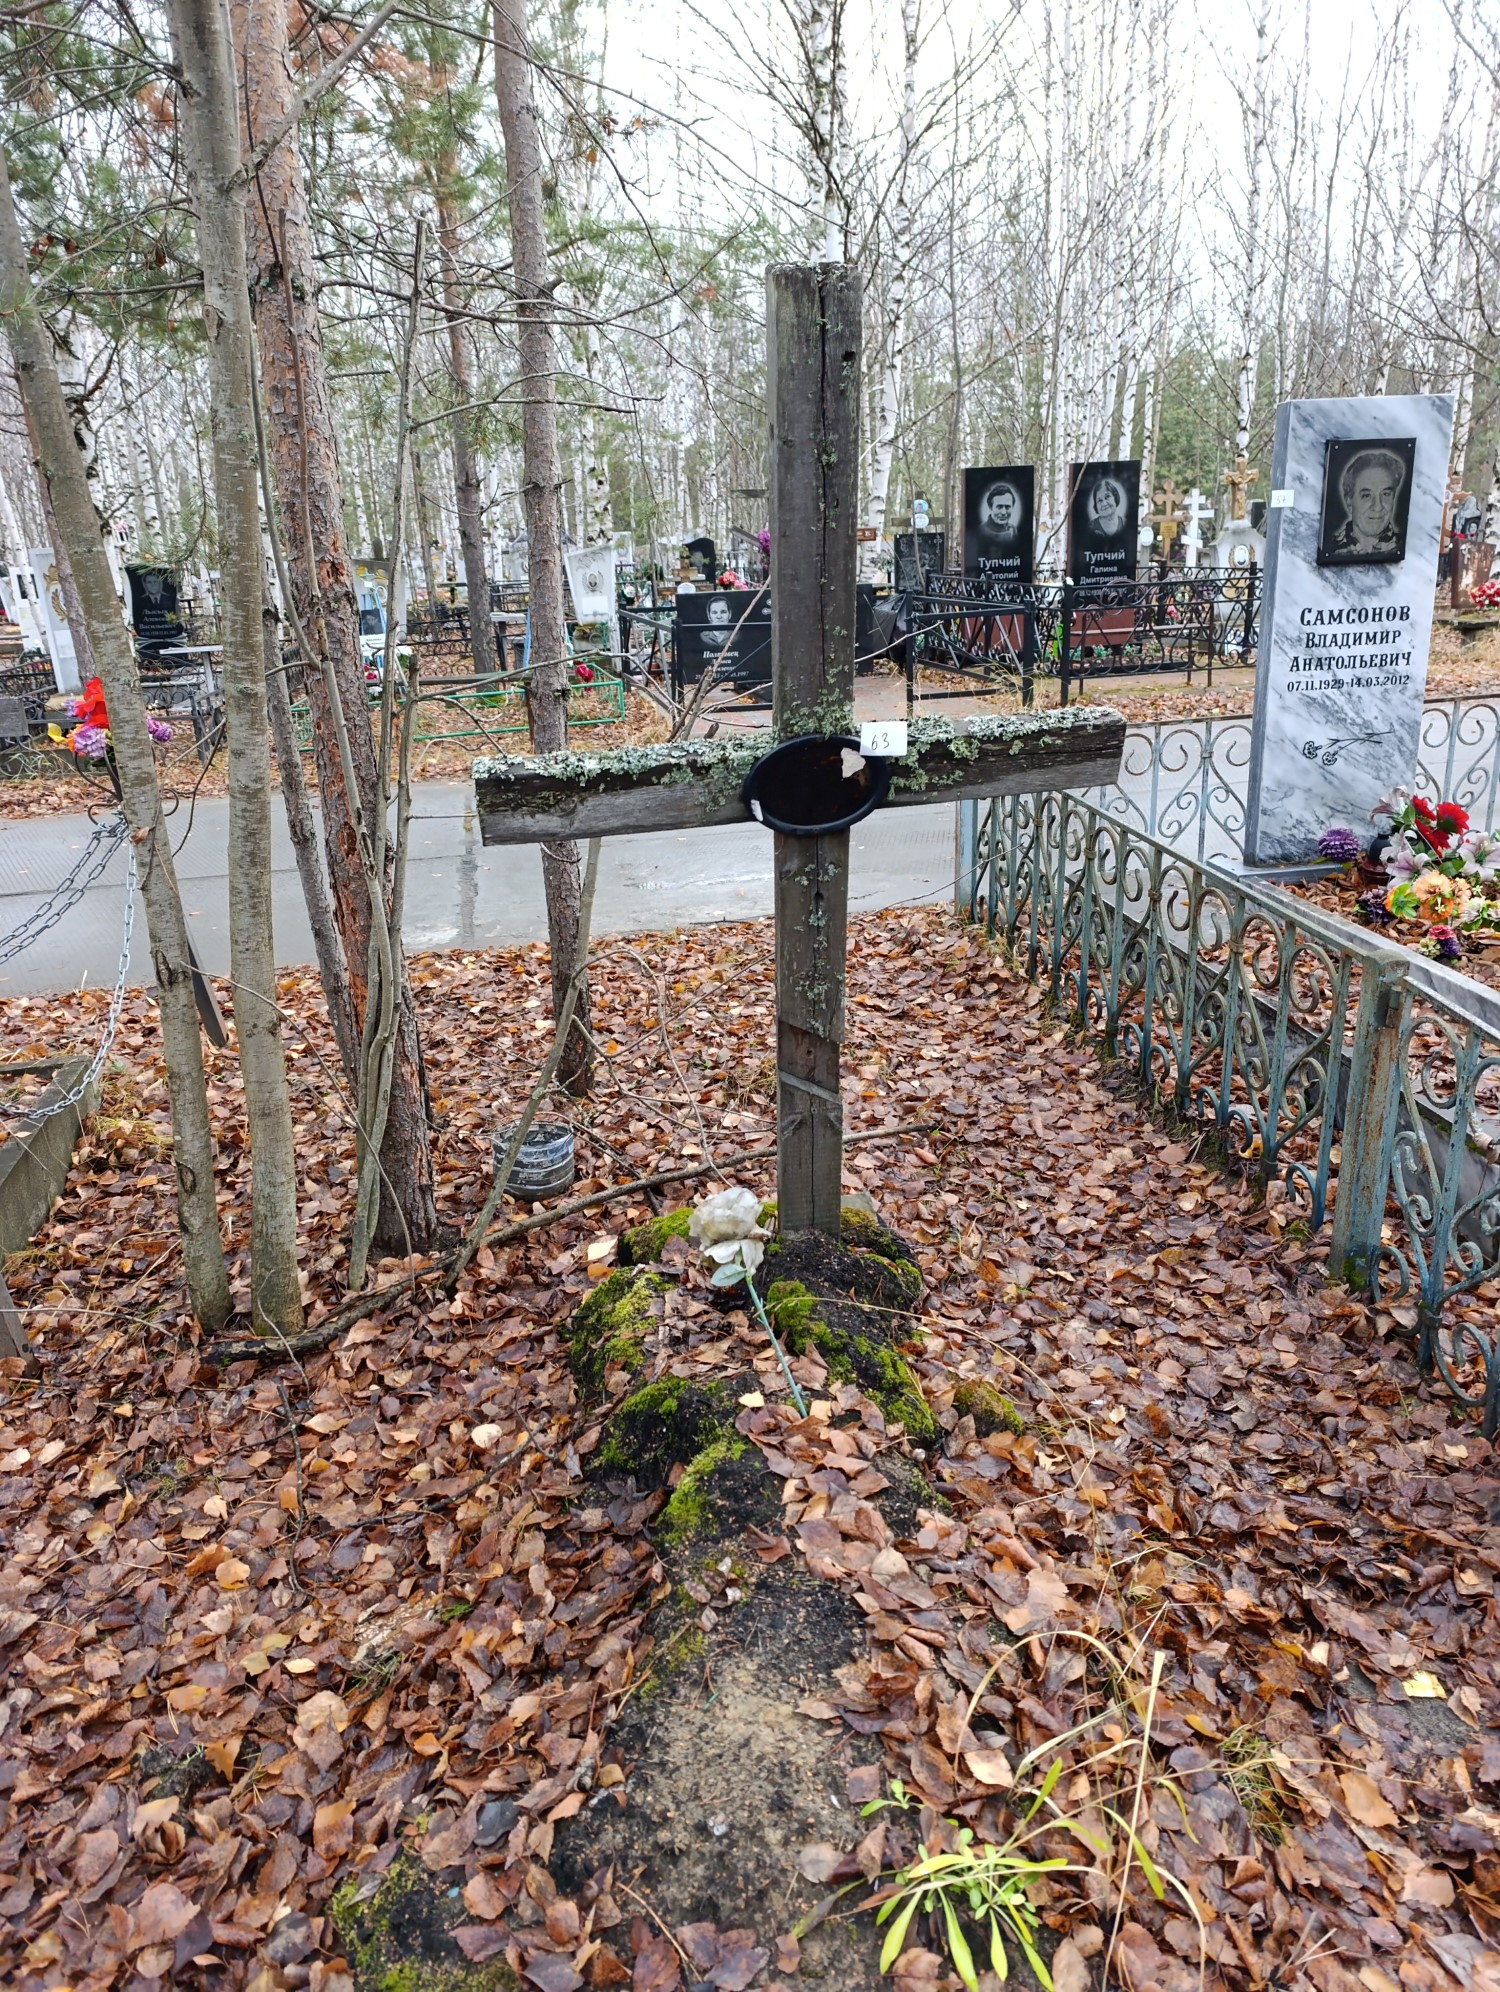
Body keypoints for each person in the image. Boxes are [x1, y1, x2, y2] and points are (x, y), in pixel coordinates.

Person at [1331, 447, 1406, 557]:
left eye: (1385, 494)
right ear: (1349, 502)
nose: (1378, 507)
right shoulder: (1329, 548)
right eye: (1366, 496)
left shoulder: (1408, 548)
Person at [978, 479, 1022, 546]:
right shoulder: (980, 531)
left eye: (1007, 507)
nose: (1003, 512)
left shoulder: (1013, 530)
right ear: (990, 507)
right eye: (999, 507)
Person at [1087, 474, 1128, 539]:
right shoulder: (1090, 527)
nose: (1104, 504)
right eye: (1099, 500)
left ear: (1115, 497)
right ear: (1096, 506)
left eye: (1107, 497)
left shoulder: (1126, 524)